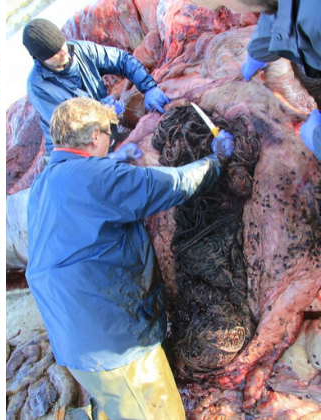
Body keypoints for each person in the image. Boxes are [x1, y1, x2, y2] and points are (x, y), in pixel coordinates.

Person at [25, 97, 234, 420]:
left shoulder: (43, 185)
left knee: (116, 404)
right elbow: (169, 185)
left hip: (73, 338)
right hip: (113, 342)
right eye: (109, 134)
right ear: (94, 135)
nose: (111, 141)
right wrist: (215, 162)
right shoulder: (94, 175)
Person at [189, 0, 321, 162]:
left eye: (223, 5)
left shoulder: (315, 20)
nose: (230, 10)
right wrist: (258, 51)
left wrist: (317, 139)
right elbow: (280, 10)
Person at [22, 18, 170, 159]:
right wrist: (101, 112)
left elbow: (122, 60)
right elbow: (70, 130)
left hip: (103, 135)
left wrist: (149, 87)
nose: (64, 53)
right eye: (55, 54)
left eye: (62, 45)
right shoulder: (38, 86)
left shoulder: (80, 50)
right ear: (41, 59)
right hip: (75, 154)